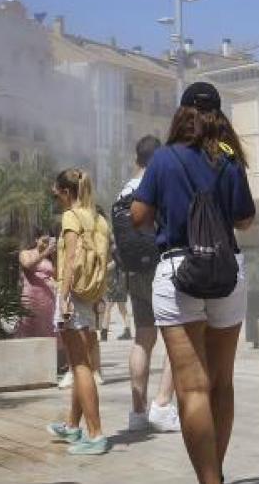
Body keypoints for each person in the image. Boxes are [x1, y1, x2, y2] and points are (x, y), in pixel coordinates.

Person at [131, 82, 255, 484]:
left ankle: (209, 480)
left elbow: (137, 216)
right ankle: (215, 471)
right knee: (222, 382)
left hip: (178, 269)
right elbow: (245, 219)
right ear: (219, 116)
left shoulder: (164, 159)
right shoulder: (228, 158)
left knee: (193, 388)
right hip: (226, 271)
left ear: (182, 112)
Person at [45, 168, 112, 456]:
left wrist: (62, 297)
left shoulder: (72, 217)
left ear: (67, 192)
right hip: (91, 294)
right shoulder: (97, 218)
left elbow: (71, 258)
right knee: (78, 362)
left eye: (57, 192)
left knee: (81, 366)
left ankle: (96, 434)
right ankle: (73, 425)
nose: (56, 196)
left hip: (73, 294)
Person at [118, 135, 180, 434]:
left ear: (136, 159)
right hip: (159, 269)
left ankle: (137, 412)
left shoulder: (123, 192)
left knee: (143, 338)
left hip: (132, 272)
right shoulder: (155, 187)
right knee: (176, 336)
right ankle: (163, 405)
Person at [16, 234, 58, 339]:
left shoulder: (49, 259)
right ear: (36, 240)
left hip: (48, 297)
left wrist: (54, 256)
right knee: (28, 324)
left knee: (47, 326)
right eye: (44, 241)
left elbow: (57, 275)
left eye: (48, 242)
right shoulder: (25, 253)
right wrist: (45, 253)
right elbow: (27, 265)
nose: (45, 244)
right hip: (31, 296)